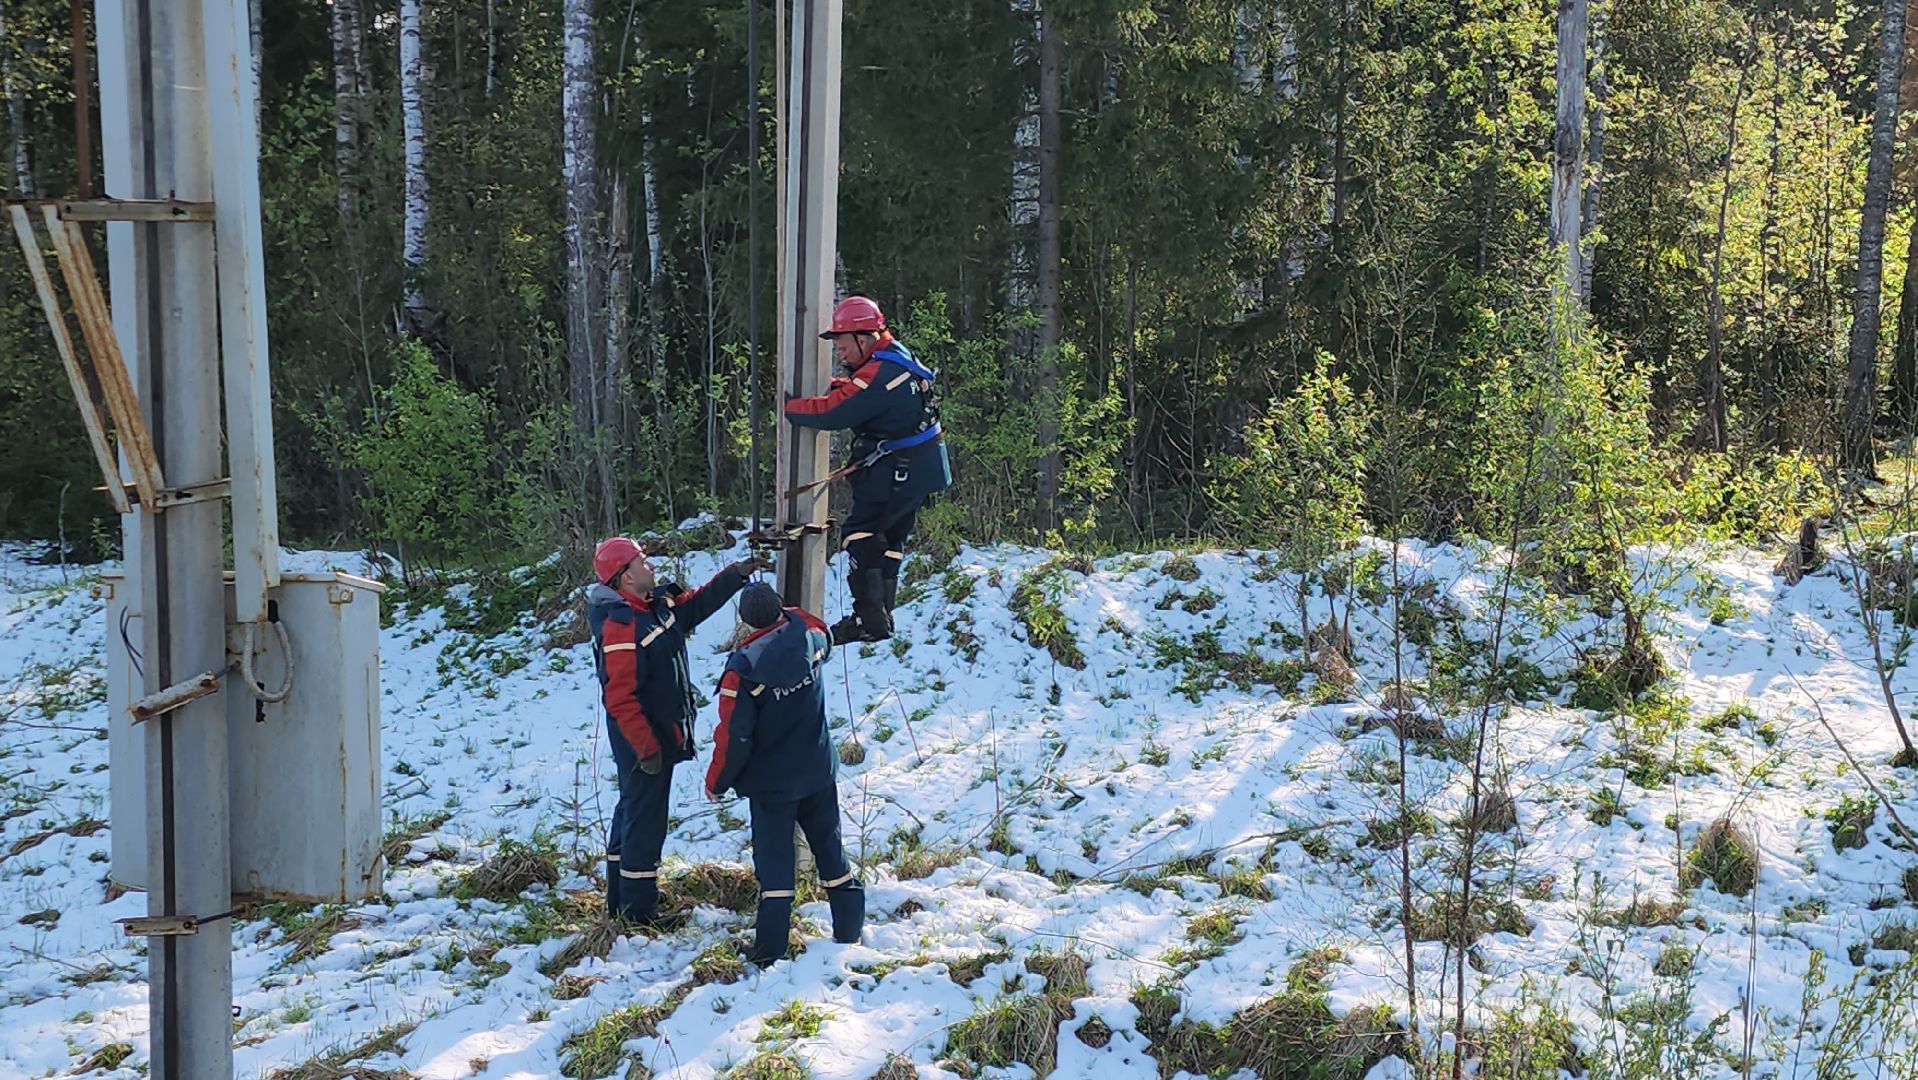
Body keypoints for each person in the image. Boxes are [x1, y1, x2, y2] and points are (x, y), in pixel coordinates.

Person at [587, 537, 771, 924]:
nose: (651, 565)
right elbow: (619, 698)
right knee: (645, 822)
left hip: (658, 735)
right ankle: (638, 913)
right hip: (643, 742)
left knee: (634, 812)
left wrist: (734, 576)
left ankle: (621, 903)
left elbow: (694, 607)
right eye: (642, 561)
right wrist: (646, 749)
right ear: (625, 577)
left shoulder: (652, 608)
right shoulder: (622, 626)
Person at [704, 582, 864, 965]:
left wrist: (717, 782)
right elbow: (817, 626)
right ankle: (849, 929)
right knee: (830, 850)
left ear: (744, 622)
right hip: (817, 769)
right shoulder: (810, 638)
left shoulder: (743, 670)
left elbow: (734, 736)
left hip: (772, 784)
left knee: (775, 866)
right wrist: (787, 613)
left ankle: (770, 950)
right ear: (782, 609)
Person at [785, 295, 952, 644]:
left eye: (843, 344)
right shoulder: (895, 358)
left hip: (898, 471)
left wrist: (789, 407)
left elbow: (833, 412)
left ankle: (870, 620)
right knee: (890, 540)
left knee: (860, 535)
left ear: (864, 338)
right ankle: (881, 615)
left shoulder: (879, 374)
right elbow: (860, 393)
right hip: (918, 468)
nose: (840, 352)